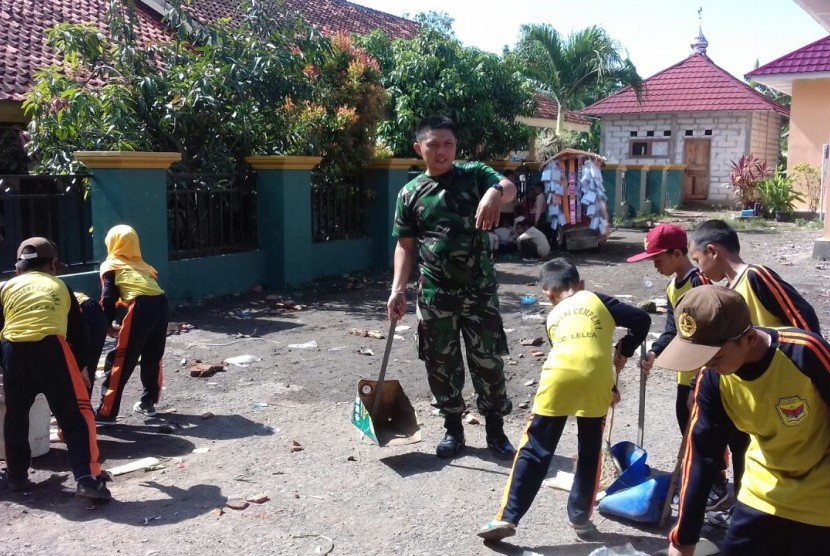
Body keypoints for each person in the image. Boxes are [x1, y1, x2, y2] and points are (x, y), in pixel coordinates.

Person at [477, 258, 650, 542]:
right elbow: (641, 320)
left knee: (534, 448)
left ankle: (507, 517)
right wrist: (625, 347)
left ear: (547, 293)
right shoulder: (595, 298)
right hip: (597, 379)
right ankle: (580, 520)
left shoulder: (552, 316)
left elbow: (570, 352)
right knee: (590, 450)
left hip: (558, 376)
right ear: (580, 284)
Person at [655, 285, 830, 556]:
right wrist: (683, 540)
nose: (707, 365)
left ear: (748, 338)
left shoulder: (805, 352)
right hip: (762, 489)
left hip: (821, 494)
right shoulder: (713, 379)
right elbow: (701, 456)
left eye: (715, 356)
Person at [387, 115, 518, 460]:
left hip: (479, 293)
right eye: (434, 145)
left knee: (487, 360)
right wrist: (397, 289)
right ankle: (453, 428)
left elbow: (509, 188)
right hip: (434, 294)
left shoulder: (475, 175)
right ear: (419, 148)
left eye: (448, 144)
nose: (442, 151)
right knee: (440, 363)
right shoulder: (410, 193)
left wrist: (493, 193)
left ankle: (495, 428)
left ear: (455, 147)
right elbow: (405, 245)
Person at [688, 219, 822, 526]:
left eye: (698, 261)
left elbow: (802, 316)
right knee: (744, 448)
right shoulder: (727, 296)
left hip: (785, 380)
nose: (699, 270)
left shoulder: (755, 275)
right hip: (750, 389)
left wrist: (806, 362)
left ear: (713, 250)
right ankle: (746, 507)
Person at [626, 224, 729, 511]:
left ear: (676, 253)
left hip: (706, 372)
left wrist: (700, 381)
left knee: (706, 430)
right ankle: (699, 478)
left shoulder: (701, 283)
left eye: (658, 259)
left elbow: (712, 334)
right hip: (685, 372)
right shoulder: (673, 286)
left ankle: (716, 485)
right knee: (687, 424)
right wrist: (655, 353)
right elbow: (673, 329)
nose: (655, 265)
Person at [0, 237, 111, 500]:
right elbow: (77, 332)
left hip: (13, 350)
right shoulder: (60, 286)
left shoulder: (6, 287)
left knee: (15, 416)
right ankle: (86, 478)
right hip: (52, 349)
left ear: (18, 268)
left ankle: (16, 476)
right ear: (52, 265)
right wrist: (82, 366)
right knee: (73, 415)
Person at [95, 225, 169, 423]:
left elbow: (108, 298)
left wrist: (106, 326)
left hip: (141, 308)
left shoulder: (111, 266)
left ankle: (106, 412)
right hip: (161, 303)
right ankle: (148, 402)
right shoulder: (145, 267)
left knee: (120, 359)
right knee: (152, 355)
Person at [74, 291, 110, 397]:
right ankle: (85, 407)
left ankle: (80, 408)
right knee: (89, 365)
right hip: (95, 310)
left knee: (79, 364)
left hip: (82, 312)